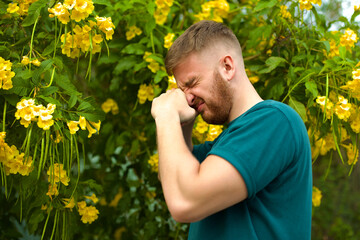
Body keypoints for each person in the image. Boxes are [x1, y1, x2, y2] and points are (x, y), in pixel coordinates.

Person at [151, 20, 312, 239]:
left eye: (192, 83)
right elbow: (173, 178)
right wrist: (183, 123)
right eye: (181, 90)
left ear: (227, 67)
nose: (187, 97)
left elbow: (184, 202)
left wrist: (166, 114)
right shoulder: (220, 148)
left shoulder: (275, 121)